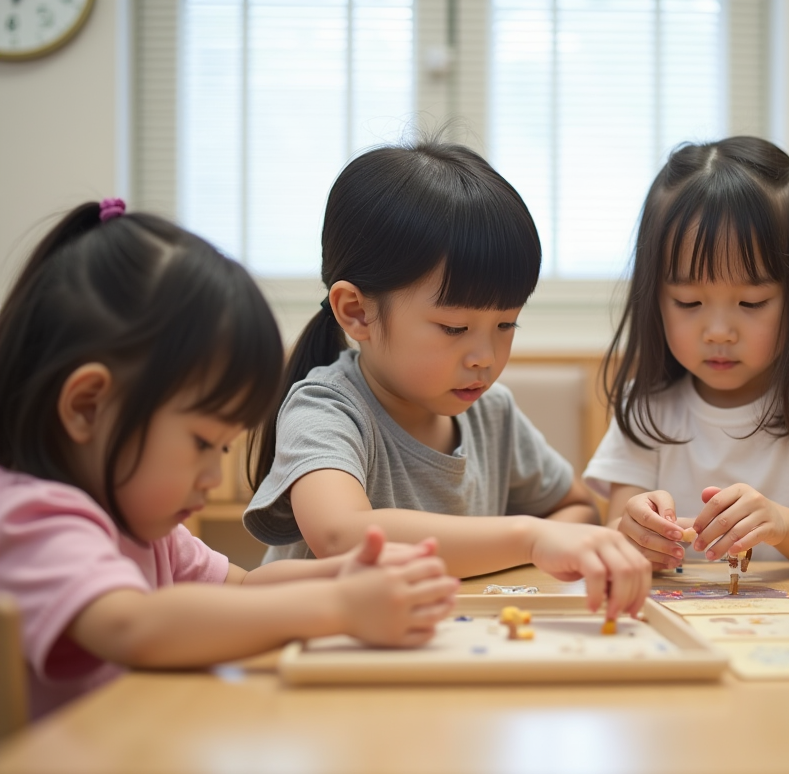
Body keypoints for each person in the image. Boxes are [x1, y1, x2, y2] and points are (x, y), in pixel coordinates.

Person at [0, 200, 460, 719]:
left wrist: (343, 575)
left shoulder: (143, 531)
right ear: (87, 406)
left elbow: (246, 585)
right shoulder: (32, 519)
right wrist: (339, 608)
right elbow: (134, 627)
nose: (213, 476)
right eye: (202, 443)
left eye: (223, 448)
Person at [244, 142, 650, 620]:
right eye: (454, 328)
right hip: (332, 661)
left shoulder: (492, 411)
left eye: (506, 325)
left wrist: (554, 541)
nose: (484, 358)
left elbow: (576, 507)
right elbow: (342, 535)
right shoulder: (326, 408)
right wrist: (530, 537)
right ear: (357, 312)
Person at [583, 136, 789, 571]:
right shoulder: (647, 406)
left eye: (751, 303)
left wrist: (781, 523)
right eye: (688, 303)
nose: (718, 333)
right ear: (653, 298)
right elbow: (618, 525)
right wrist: (637, 534)